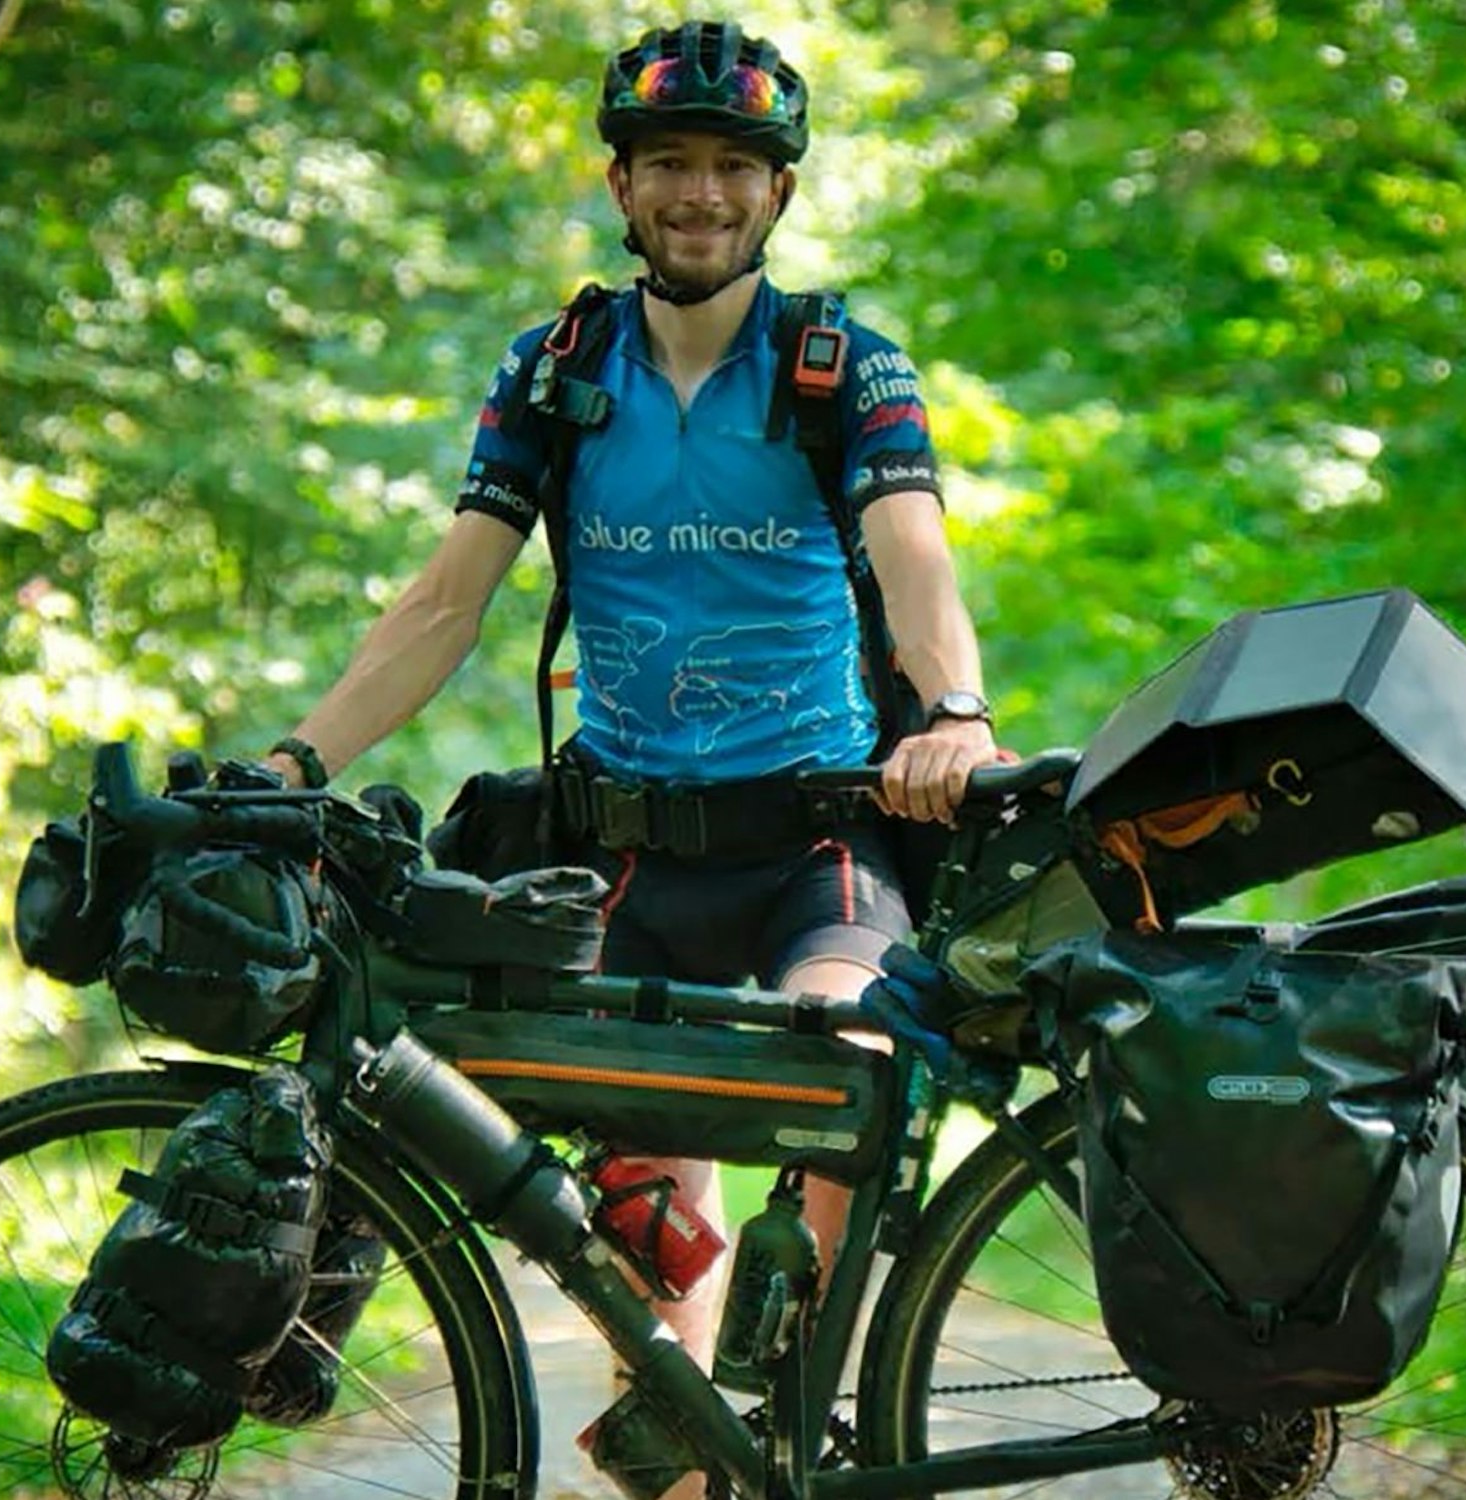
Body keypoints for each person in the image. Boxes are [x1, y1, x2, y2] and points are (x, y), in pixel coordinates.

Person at [265, 13, 996, 1418]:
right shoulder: (554, 373)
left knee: (842, 1072)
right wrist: (295, 763)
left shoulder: (843, 366)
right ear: (621, 186)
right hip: (629, 855)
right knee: (653, 1289)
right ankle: (694, 1424)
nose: (700, 194)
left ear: (780, 191)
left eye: (734, 165)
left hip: (813, 845)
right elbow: (443, 603)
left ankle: (803, 1394)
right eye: (669, 160)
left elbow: (914, 556)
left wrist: (953, 709)